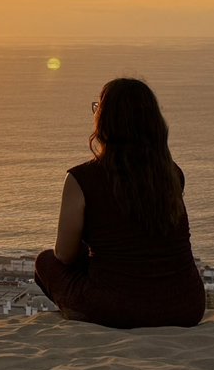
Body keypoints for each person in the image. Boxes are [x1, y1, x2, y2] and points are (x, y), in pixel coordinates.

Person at [34, 77, 205, 329]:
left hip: (118, 309)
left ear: (104, 121)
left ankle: (84, 314)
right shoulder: (172, 173)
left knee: (45, 262)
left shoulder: (82, 179)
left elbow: (65, 255)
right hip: (186, 306)